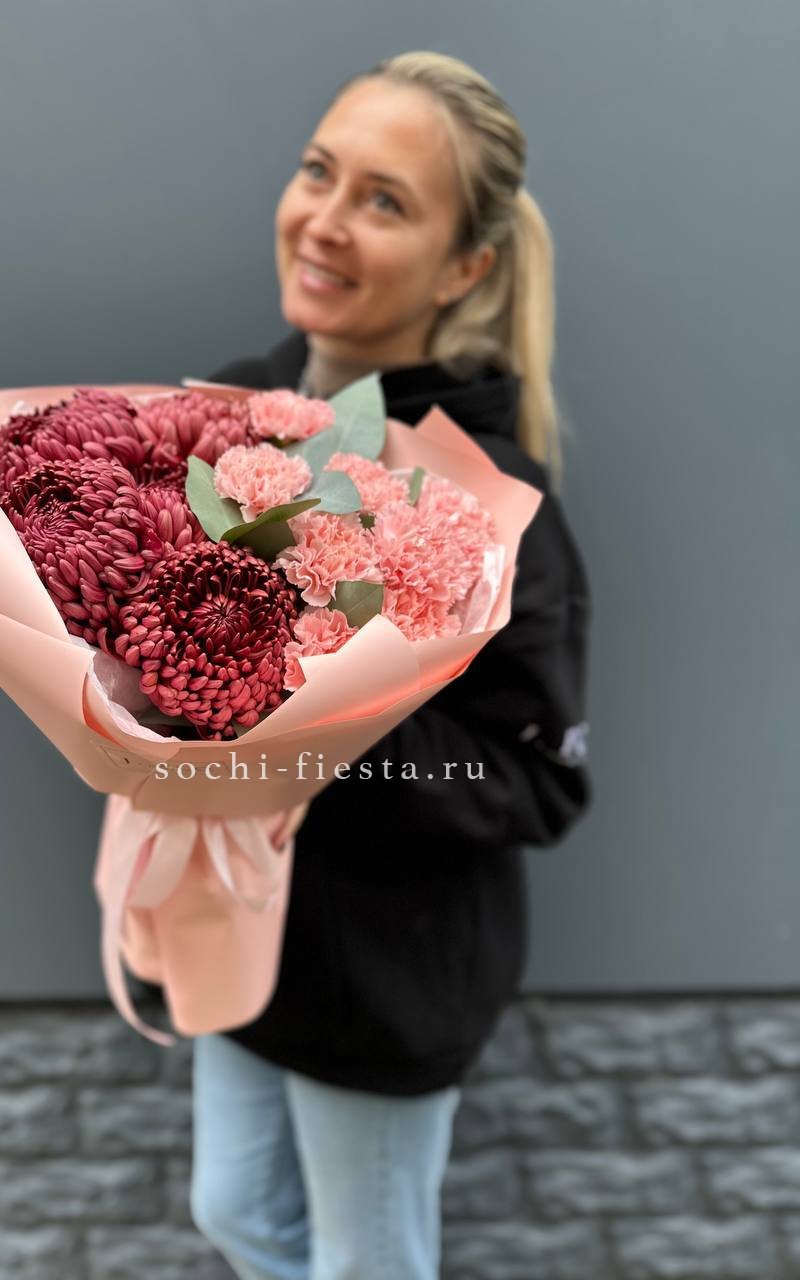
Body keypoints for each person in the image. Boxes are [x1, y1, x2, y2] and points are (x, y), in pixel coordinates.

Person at [171, 50, 592, 1280]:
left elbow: (538, 777)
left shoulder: (493, 497)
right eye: (320, 172)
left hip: (389, 977)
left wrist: (321, 727)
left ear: (465, 268)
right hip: (240, 937)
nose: (326, 220)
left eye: (386, 201)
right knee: (233, 1212)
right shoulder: (231, 408)